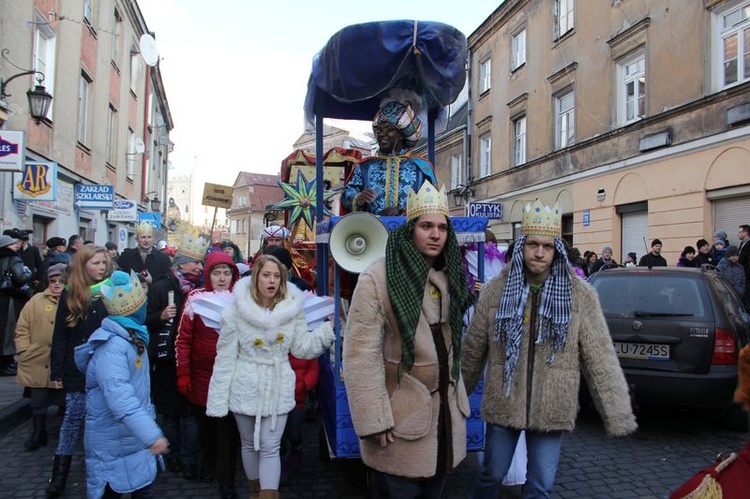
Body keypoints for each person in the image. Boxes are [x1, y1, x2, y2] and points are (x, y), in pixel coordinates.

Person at [461, 200, 637, 498]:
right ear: (521, 246)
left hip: (552, 404)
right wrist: (456, 399)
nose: (539, 252)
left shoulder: (580, 295)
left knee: (540, 486)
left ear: (556, 250)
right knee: (490, 476)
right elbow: (473, 349)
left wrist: (617, 411)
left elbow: (600, 356)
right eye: (532, 244)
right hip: (504, 401)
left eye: (547, 245)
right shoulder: (496, 290)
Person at [343, 182, 473, 498]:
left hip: (444, 417)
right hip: (401, 418)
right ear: (410, 229)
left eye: (442, 227)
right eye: (426, 226)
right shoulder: (378, 276)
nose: (435, 234)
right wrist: (373, 419)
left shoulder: (450, 274)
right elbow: (361, 353)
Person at [206, 254, 335, 499]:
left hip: (277, 384)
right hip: (243, 385)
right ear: (256, 278)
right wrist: (218, 401)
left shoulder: (292, 310)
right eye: (266, 275)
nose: (272, 280)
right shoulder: (235, 311)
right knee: (248, 445)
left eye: (277, 275)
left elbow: (301, 348)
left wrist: (327, 330)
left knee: (270, 446)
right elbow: (224, 358)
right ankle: (255, 491)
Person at [74, 270, 169, 498]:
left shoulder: (132, 338)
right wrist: (151, 435)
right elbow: (120, 398)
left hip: (132, 441)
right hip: (115, 444)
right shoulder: (113, 348)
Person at [175, 250, 241, 498]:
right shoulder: (196, 298)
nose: (222, 278)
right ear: (208, 275)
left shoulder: (240, 299)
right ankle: (208, 463)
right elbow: (183, 339)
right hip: (202, 375)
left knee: (227, 430)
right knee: (206, 427)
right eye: (216, 273)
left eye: (226, 273)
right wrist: (183, 373)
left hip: (231, 376)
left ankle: (227, 481)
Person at [47, 245, 111, 497]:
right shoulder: (69, 293)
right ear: (83, 266)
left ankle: (101, 473)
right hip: (76, 368)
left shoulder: (110, 290)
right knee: (72, 420)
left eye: (103, 263)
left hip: (104, 366)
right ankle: (59, 475)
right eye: (96, 263)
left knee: (102, 423)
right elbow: (61, 335)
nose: (101, 268)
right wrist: (57, 372)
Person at [146, 236, 208, 480]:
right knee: (171, 415)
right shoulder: (162, 287)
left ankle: (190, 459)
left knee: (192, 416)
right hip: (166, 361)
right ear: (182, 264)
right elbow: (146, 320)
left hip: (193, 361)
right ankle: (173, 457)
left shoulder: (201, 289)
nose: (201, 268)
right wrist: (160, 316)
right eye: (196, 263)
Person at [341, 89, 437, 216]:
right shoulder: (365, 167)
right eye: (379, 130)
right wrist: (358, 198)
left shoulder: (421, 167)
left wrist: (410, 209)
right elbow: (346, 195)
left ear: (402, 134)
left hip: (411, 232)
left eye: (389, 129)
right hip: (372, 231)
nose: (382, 134)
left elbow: (433, 200)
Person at [14, 263, 66, 451]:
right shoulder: (36, 300)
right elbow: (22, 327)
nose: (57, 285)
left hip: (61, 360)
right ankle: (38, 431)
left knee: (63, 397)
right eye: (53, 281)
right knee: (38, 398)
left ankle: (65, 433)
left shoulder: (71, 300)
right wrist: (23, 349)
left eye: (61, 281)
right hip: (36, 358)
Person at [0, 233, 34, 376]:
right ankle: (6, 363)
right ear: (7, 246)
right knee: (8, 330)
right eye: (13, 244)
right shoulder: (13, 259)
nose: (16, 246)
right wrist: (28, 273)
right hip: (10, 298)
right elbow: (20, 278)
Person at [738, 225, 750, 307]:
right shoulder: (742, 244)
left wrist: (746, 276)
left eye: (739, 232)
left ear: (745, 233)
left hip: (747, 278)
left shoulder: (749, 245)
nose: (737, 234)